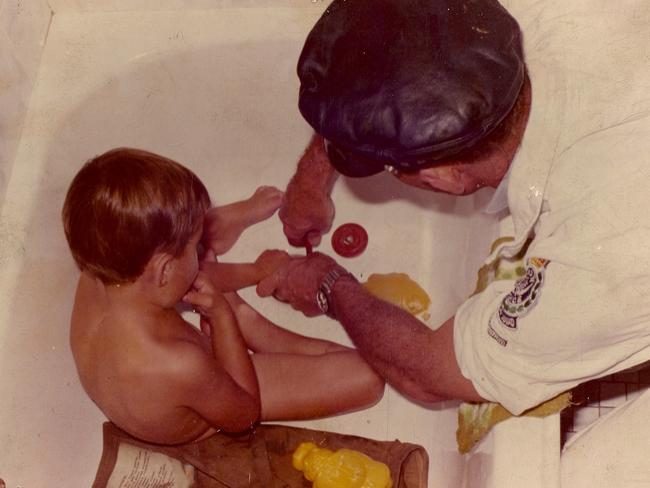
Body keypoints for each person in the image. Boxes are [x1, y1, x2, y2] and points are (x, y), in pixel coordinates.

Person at [258, 0, 650, 416]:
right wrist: (311, 178)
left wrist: (327, 284)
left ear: (443, 177)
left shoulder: (601, 258)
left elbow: (432, 373)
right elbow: (394, 29)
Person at [62, 148, 384, 445]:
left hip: (180, 363)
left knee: (172, 245)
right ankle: (252, 323)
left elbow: (184, 278)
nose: (198, 255)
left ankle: (212, 230)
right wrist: (226, 319)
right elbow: (243, 414)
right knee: (369, 375)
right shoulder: (178, 364)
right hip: (221, 393)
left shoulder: (100, 278)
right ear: (163, 271)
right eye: (195, 245)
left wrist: (256, 270)